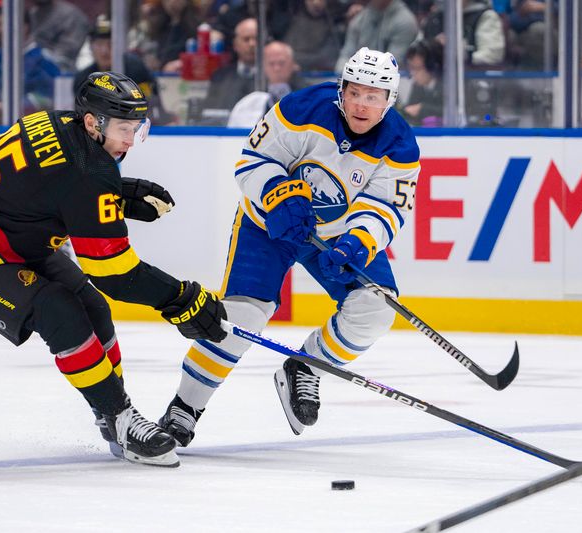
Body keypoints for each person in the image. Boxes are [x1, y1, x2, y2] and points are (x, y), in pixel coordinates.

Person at [0, 71, 228, 467]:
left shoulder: (58, 120)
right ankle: (120, 419)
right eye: (123, 129)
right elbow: (115, 272)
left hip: (9, 237)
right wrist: (182, 298)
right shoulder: (90, 174)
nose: (131, 141)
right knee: (57, 309)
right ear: (94, 122)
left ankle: (112, 413)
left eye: (138, 129)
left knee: (93, 308)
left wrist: (115, 194)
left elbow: (40, 181)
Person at [159, 47, 421, 445]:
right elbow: (253, 160)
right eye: (355, 92)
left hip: (333, 236)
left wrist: (357, 242)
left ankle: (306, 367)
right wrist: (278, 194)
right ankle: (185, 407)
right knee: (242, 316)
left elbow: (385, 206)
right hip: (268, 224)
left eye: (373, 96)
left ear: (390, 100)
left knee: (376, 307)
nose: (362, 104)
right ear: (341, 90)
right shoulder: (301, 108)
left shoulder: (400, 145)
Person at [74, 15, 175, 125]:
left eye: (110, 44)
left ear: (119, 46)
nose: (104, 51)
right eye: (99, 44)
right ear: (91, 47)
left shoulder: (136, 69)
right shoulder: (83, 79)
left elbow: (149, 105)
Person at [0, 12, 60, 123]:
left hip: (29, 129)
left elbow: (47, 100)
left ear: (24, 27)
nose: (0, 31)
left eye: (5, 25)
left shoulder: (44, 61)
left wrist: (5, 108)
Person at [227, 40, 308, 128]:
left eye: (281, 63)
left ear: (293, 64)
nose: (277, 68)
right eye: (271, 63)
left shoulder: (308, 95)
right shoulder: (247, 98)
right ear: (263, 66)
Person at [335, 0, 418, 72]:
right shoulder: (360, 18)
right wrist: (344, 74)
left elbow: (392, 65)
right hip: (357, 79)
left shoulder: (405, 21)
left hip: (394, 84)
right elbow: (345, 56)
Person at [399, 39, 444, 126]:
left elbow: (453, 112)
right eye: (411, 68)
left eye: (417, 68)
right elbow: (409, 110)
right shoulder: (418, 85)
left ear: (433, 67)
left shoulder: (448, 86)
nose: (412, 74)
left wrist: (422, 109)